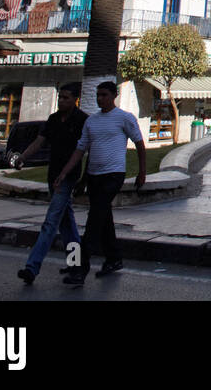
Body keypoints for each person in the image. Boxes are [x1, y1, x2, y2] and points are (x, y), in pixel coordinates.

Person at [52, 80, 146, 285]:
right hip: (94, 175)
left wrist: (142, 173)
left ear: (114, 96)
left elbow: (139, 144)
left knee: (94, 221)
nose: (100, 98)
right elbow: (81, 150)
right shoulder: (92, 121)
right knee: (103, 219)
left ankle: (80, 269)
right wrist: (66, 173)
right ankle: (114, 258)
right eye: (98, 95)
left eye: (104, 95)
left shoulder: (124, 118)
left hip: (113, 175)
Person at [16, 83, 87, 284]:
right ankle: (76, 266)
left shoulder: (82, 120)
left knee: (51, 222)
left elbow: (83, 150)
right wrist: (23, 157)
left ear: (75, 99)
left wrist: (72, 175)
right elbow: (40, 141)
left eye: (66, 97)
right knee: (67, 224)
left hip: (68, 177)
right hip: (52, 175)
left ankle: (32, 267)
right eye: (60, 97)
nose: (62, 101)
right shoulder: (53, 119)